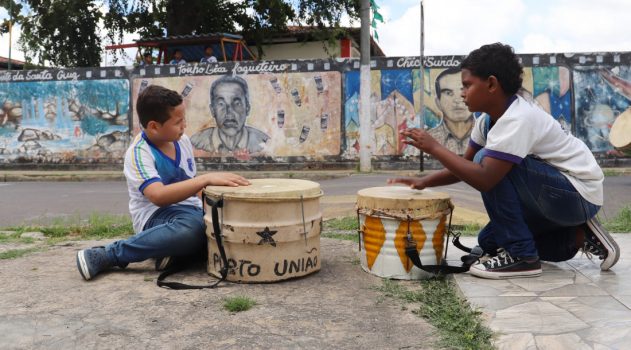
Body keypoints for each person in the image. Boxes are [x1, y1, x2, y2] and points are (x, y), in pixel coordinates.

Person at [389, 43, 620, 279]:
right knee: (488, 241)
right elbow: (465, 167)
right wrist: (424, 182)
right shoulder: (487, 121)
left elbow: (485, 178)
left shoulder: (518, 118)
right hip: (559, 198)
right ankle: (578, 235)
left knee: (486, 161)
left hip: (578, 194)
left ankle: (522, 257)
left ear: (491, 84)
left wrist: (434, 147)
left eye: (467, 85)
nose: (462, 93)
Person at [76, 85, 250, 281]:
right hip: (157, 218)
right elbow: (158, 196)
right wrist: (205, 179)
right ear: (154, 126)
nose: (184, 126)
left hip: (190, 212)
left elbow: (189, 183)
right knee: (193, 230)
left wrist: (214, 209)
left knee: (225, 228)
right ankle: (109, 254)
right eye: (178, 122)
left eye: (184, 119)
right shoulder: (139, 153)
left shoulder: (181, 141)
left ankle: (173, 254)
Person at [191, 75, 270, 154]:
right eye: (221, 104)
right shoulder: (195, 144)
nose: (229, 113)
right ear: (212, 110)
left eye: (237, 103)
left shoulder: (265, 144)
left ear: (247, 108)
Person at [429, 67, 475, 155]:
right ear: (438, 102)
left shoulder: (489, 136)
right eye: (448, 93)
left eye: (464, 90)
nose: (457, 100)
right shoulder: (426, 142)